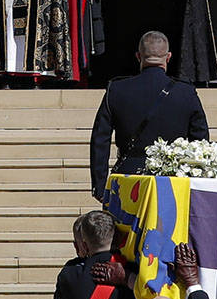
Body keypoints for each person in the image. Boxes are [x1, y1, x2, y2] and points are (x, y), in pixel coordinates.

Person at [89, 31, 210, 202]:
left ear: (138, 56)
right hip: (173, 181)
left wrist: (100, 186)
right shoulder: (186, 92)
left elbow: (100, 141)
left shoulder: (117, 90)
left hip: (128, 178)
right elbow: (200, 140)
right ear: (168, 57)